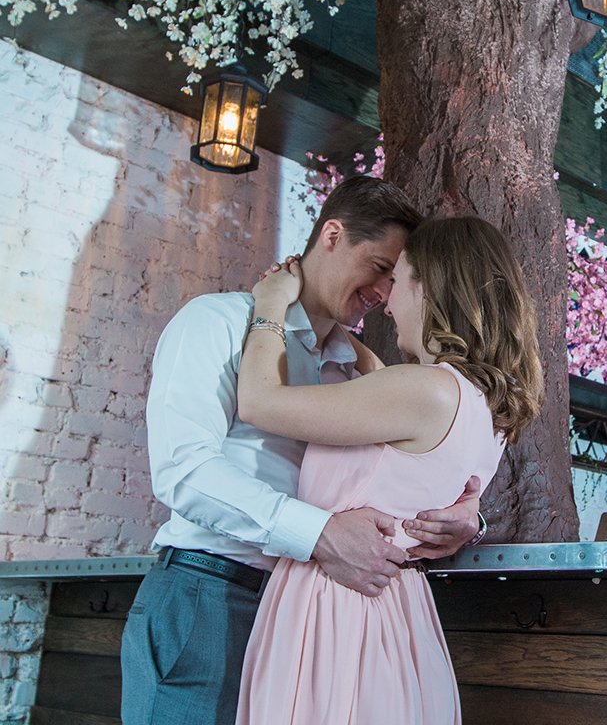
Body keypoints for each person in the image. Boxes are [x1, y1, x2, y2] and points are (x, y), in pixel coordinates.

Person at [121, 177, 483, 725]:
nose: (386, 292)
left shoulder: (360, 370)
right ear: (332, 235)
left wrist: (465, 521)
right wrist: (319, 534)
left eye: (397, 278)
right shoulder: (215, 322)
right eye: (379, 266)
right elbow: (182, 471)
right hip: (212, 596)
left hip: (308, 616)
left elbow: (406, 471)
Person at [234, 214, 544, 725]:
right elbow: (383, 405)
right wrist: (329, 325)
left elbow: (259, 402)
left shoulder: (422, 391)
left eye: (397, 280)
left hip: (338, 607)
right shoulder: (486, 409)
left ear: (430, 288)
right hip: (397, 609)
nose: (386, 298)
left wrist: (269, 306)